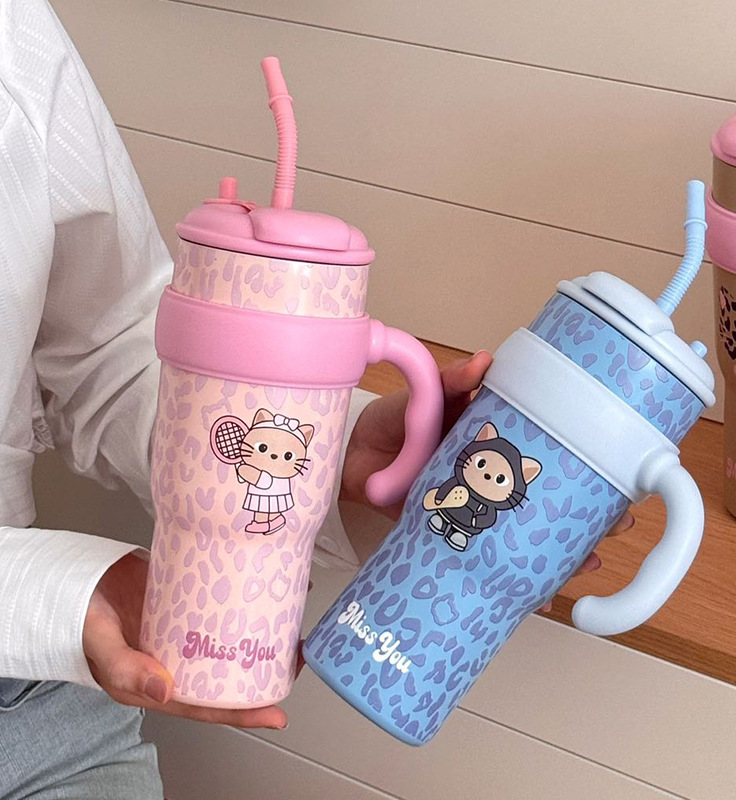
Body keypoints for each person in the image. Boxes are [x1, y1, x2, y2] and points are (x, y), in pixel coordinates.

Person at [0, 1, 633, 797]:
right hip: (46, 630)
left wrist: (335, 455)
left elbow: (110, 347)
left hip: (38, 702)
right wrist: (46, 600)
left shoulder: (15, 31)